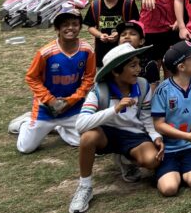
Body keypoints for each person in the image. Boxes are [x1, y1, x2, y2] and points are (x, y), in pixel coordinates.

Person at [69, 44, 162, 213]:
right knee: (87, 138)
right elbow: (80, 124)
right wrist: (115, 109)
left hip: (134, 135)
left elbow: (146, 118)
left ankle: (126, 159)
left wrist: (155, 136)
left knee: (153, 160)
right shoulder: (99, 90)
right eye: (132, 65)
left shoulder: (143, 86)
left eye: (138, 64)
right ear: (115, 71)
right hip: (107, 135)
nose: (139, 70)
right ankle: (85, 187)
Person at [16, 9, 95, 154]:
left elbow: (89, 77)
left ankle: (59, 127)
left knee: (85, 141)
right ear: (57, 29)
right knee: (25, 148)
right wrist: (50, 101)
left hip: (72, 108)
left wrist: (71, 101)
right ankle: (25, 123)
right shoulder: (46, 52)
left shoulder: (87, 50)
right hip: (46, 109)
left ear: (80, 27)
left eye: (74, 24)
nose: (70, 28)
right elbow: (31, 77)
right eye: (65, 25)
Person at [151, 41, 191, 197]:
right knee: (169, 189)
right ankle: (168, 172)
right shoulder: (162, 90)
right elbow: (159, 125)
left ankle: (183, 169)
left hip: (190, 147)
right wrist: (188, 136)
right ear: (181, 67)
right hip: (168, 149)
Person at [84, 0, 139, 66]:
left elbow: (135, 25)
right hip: (102, 53)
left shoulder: (128, 4)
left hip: (123, 51)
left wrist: (120, 33)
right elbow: (91, 27)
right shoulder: (95, 5)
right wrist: (100, 35)